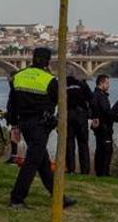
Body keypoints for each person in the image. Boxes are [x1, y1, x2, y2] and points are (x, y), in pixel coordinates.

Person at [6, 47, 76, 209]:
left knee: (43, 162)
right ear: (47, 61)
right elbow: (61, 101)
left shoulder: (18, 76)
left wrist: (14, 125)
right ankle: (17, 198)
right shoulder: (49, 80)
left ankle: (59, 197)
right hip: (40, 125)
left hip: (24, 124)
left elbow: (12, 104)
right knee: (32, 162)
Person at [89, 74, 117, 177]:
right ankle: (104, 173)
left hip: (98, 127)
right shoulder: (101, 96)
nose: (108, 85)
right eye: (107, 83)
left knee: (99, 149)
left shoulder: (93, 95)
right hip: (104, 127)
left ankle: (99, 172)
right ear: (101, 83)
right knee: (107, 150)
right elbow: (106, 112)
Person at [66, 75, 93, 174]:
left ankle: (71, 169)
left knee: (69, 143)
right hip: (81, 116)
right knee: (83, 144)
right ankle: (85, 170)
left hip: (68, 115)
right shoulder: (83, 84)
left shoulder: (64, 84)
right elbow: (91, 98)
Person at [4, 71, 20, 165]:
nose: (8, 80)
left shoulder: (15, 88)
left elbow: (14, 104)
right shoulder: (14, 88)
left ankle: (14, 158)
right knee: (14, 137)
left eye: (9, 78)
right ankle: (14, 156)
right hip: (14, 116)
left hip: (16, 117)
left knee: (14, 137)